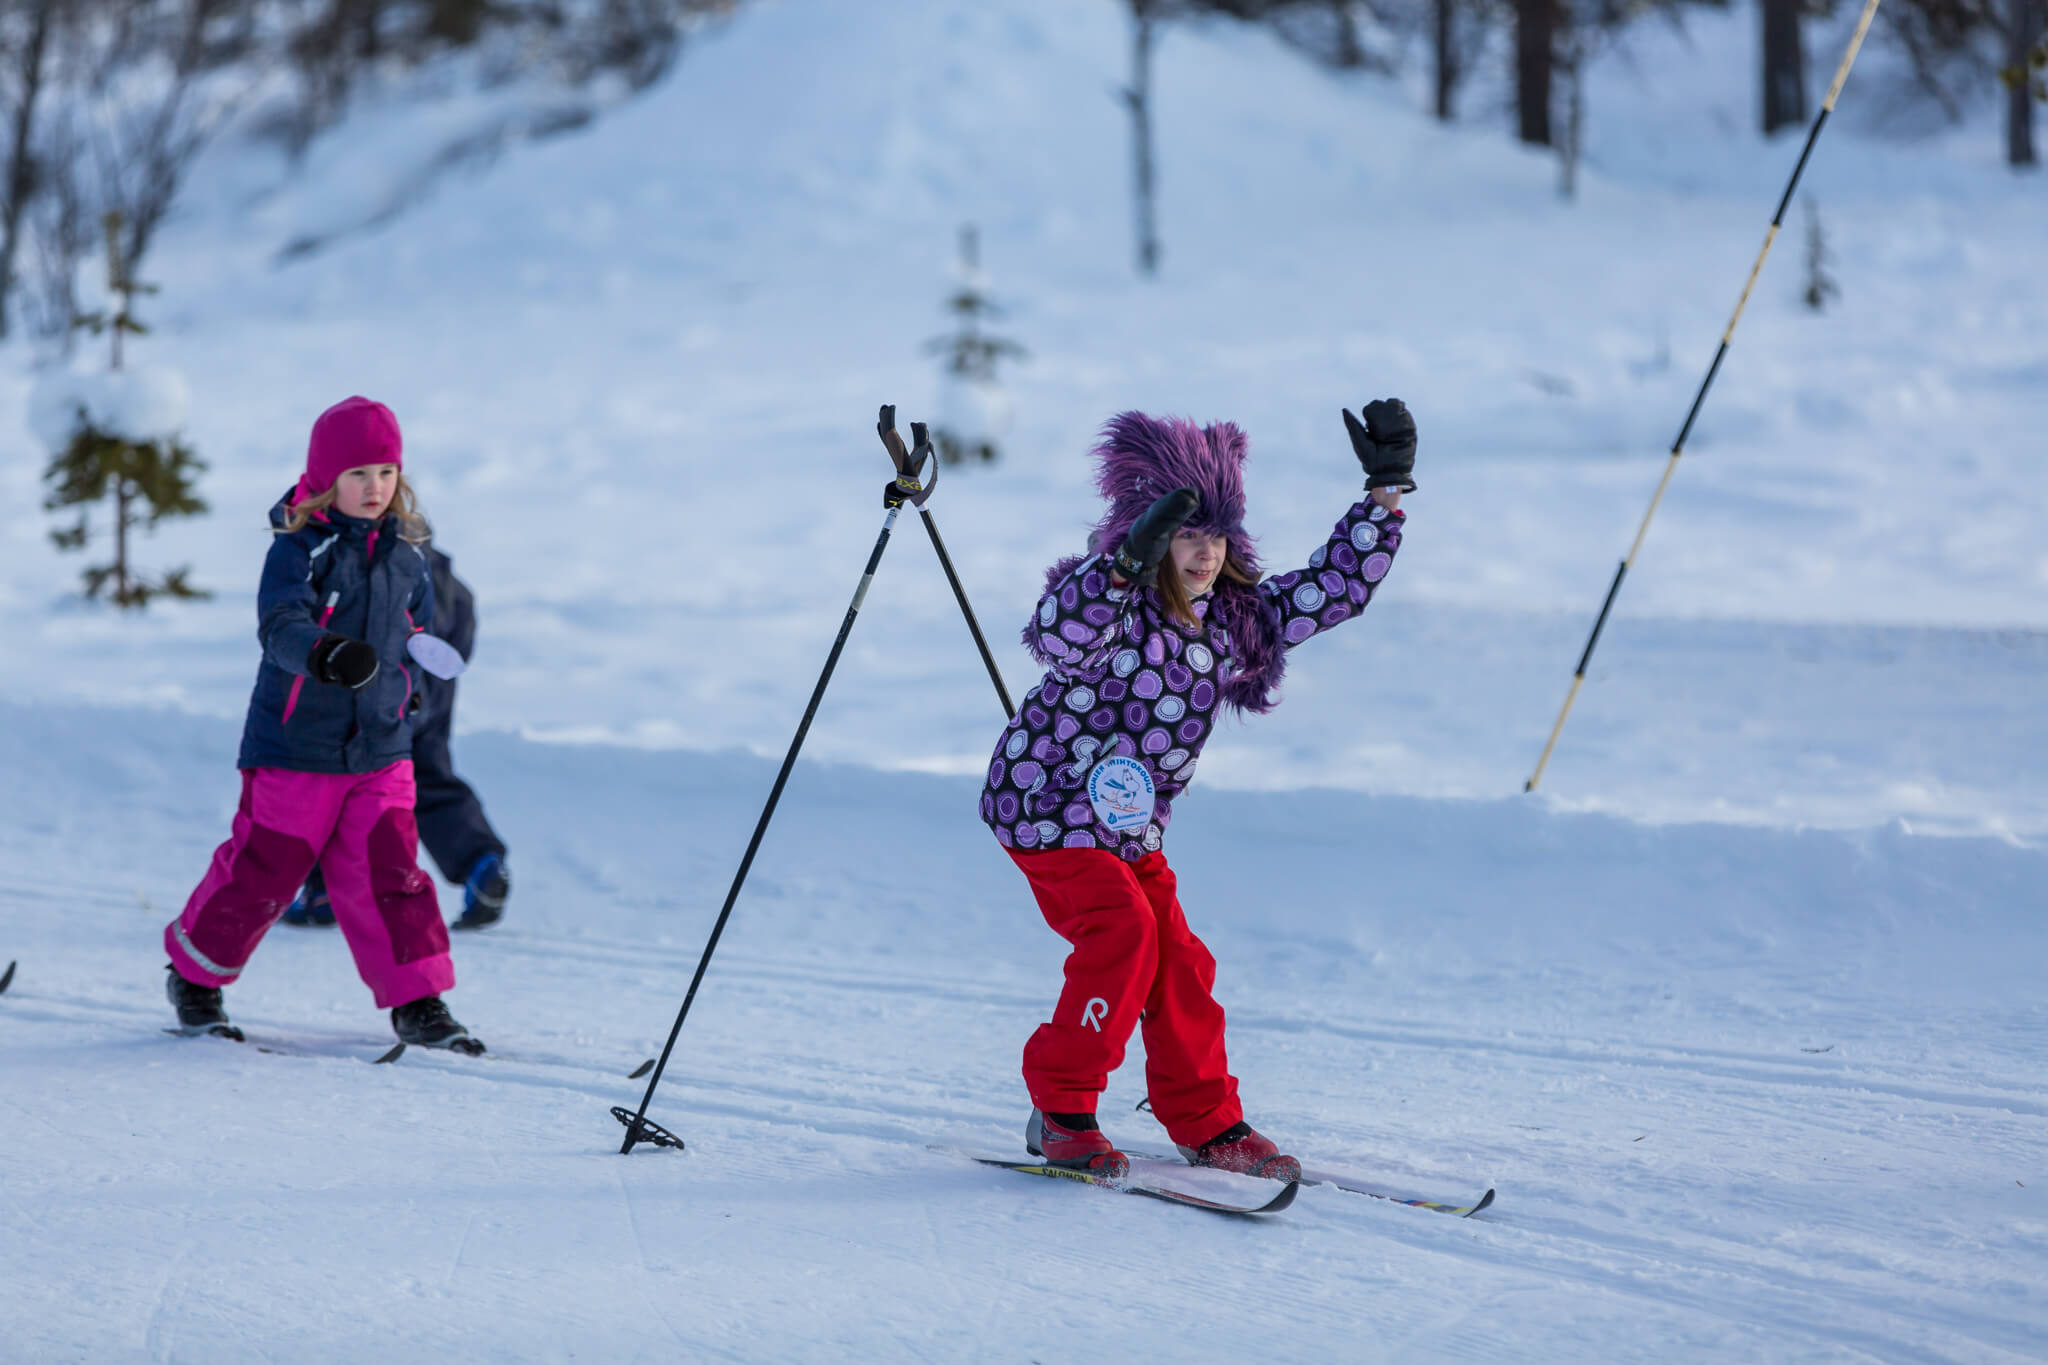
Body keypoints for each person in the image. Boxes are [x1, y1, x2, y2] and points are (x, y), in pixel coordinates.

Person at [981, 400, 1416, 1179]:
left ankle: (1208, 1122)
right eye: (1186, 531)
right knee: (1124, 932)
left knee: (1179, 958)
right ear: (1145, 530)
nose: (1204, 552)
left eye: (1216, 533)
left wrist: (1384, 494)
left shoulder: (1237, 620)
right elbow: (1056, 630)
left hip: (1128, 825)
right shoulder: (1113, 607)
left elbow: (1332, 589)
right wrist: (1118, 568)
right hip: (1044, 807)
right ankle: (1060, 1109)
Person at [161, 396, 483, 1053]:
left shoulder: (409, 553)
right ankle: (196, 976)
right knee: (268, 869)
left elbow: (413, 622)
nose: (375, 488)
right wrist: (323, 652)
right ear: (327, 478)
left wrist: (419, 659)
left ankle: (421, 1002)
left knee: (391, 870)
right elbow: (280, 624)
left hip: (382, 744)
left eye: (387, 472)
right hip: (295, 744)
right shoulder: (300, 548)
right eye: (359, 473)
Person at [282, 546, 511, 931]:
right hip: (431, 702)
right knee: (431, 780)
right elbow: (461, 644)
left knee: (341, 779)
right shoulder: (451, 584)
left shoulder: (375, 569)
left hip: (379, 700)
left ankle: (325, 892)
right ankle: (480, 862)